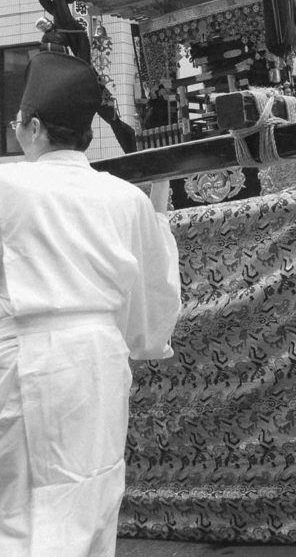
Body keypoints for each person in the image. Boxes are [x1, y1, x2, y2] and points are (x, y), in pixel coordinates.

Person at [0, 51, 181, 557]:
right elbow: (154, 296)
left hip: (27, 356)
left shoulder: (7, 185)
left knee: (21, 509)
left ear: (33, 126)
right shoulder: (124, 198)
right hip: (99, 358)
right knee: (95, 492)